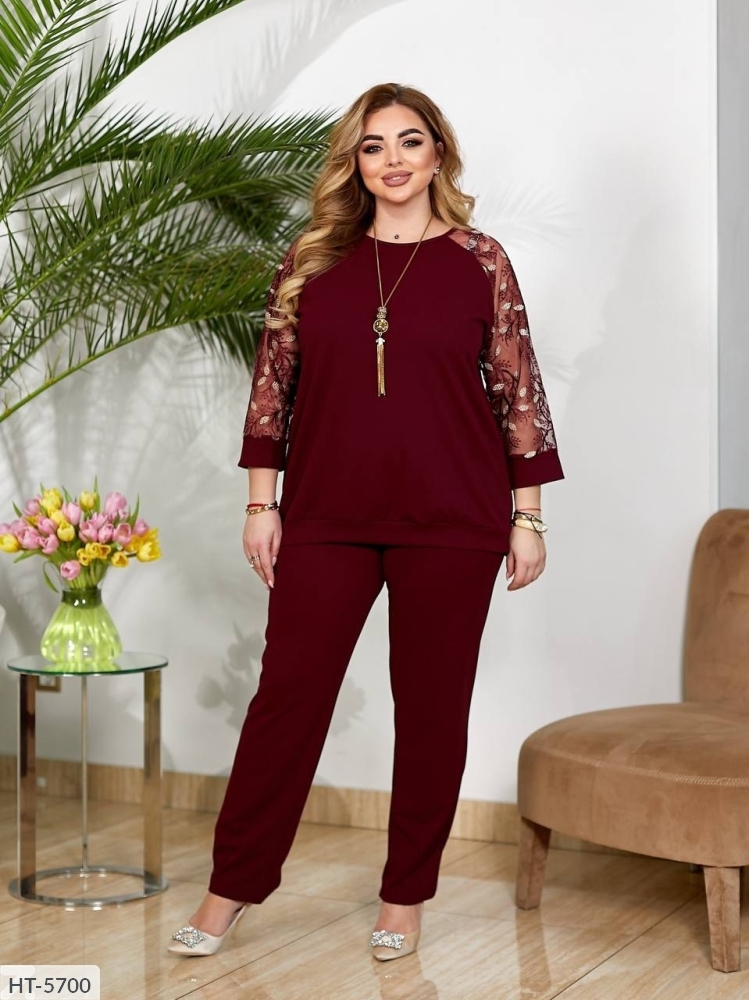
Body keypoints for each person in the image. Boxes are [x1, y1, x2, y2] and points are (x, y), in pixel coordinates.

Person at [168, 82, 564, 961]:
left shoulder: (480, 260)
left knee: (430, 710)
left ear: (437, 153)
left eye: (408, 142)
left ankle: (404, 897)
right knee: (287, 698)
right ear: (353, 161)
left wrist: (528, 517)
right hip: (326, 513)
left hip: (453, 517)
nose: (392, 160)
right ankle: (230, 888)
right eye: (373, 145)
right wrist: (262, 505)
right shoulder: (313, 260)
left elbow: (517, 388)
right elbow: (271, 389)